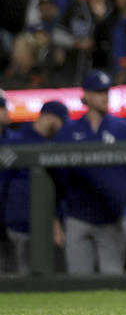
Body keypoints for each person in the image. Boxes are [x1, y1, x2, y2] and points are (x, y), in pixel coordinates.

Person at [56, 70, 126, 274]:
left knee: (113, 280)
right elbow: (56, 177)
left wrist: (124, 199)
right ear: (85, 95)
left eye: (106, 91)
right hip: (77, 215)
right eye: (98, 92)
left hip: (112, 216)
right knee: (78, 281)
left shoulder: (124, 129)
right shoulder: (69, 131)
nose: (104, 96)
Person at [0, 99, 69, 274]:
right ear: (51, 118)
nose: (62, 127)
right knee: (21, 276)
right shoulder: (17, 142)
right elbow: (3, 184)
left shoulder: (55, 143)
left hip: (44, 222)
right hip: (18, 221)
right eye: (61, 122)